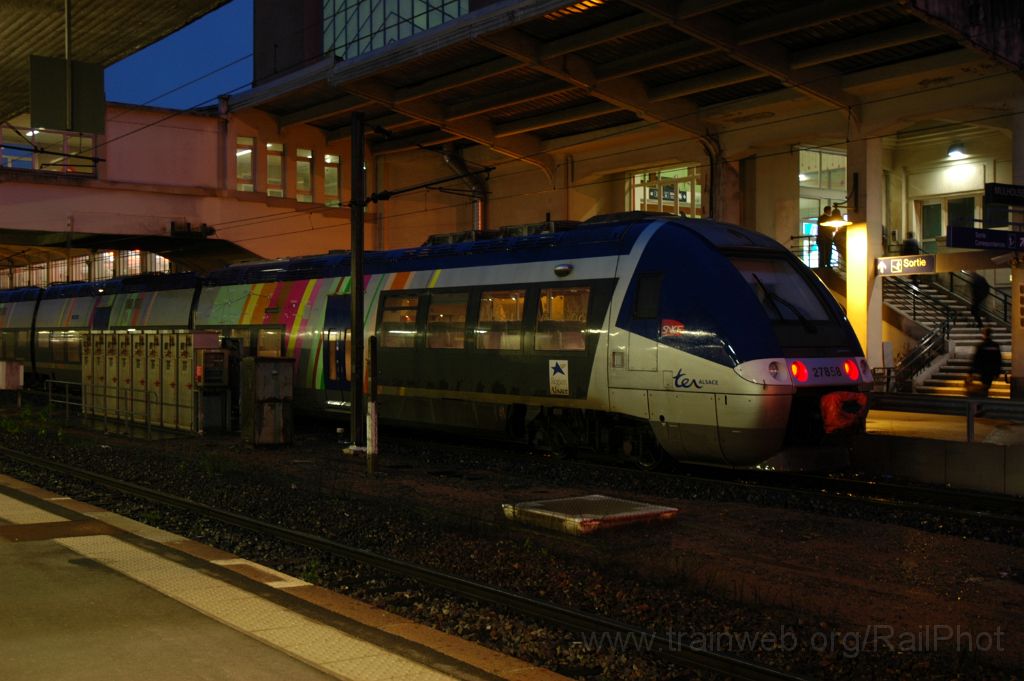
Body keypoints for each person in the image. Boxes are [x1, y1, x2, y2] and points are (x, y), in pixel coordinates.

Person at [968, 326, 1002, 397]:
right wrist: (998, 372)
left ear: (984, 334)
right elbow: (999, 360)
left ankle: (982, 399)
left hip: (983, 370)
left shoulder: (981, 346)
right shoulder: (995, 346)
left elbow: (976, 359)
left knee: (984, 386)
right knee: (987, 385)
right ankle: (984, 397)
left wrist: (971, 372)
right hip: (991, 371)